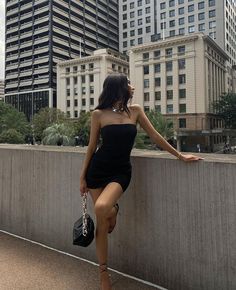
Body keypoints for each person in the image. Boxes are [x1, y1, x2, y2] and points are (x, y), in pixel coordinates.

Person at [79, 73, 203, 290]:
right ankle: (103, 273)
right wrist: (82, 177)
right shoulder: (98, 114)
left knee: (102, 208)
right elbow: (91, 147)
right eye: (128, 83)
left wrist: (180, 156)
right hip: (97, 171)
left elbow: (155, 136)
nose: (132, 86)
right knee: (102, 220)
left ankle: (114, 210)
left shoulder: (135, 111)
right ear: (118, 88)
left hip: (120, 172)